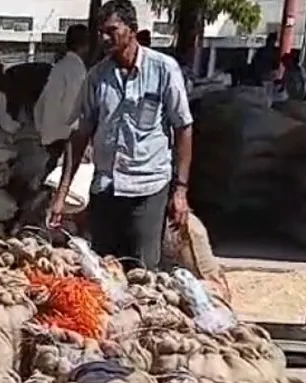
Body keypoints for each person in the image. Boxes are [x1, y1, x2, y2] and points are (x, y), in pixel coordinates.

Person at [48, 0, 193, 271]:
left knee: (144, 271)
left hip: (148, 188)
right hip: (107, 188)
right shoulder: (96, 77)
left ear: (132, 30)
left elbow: (183, 127)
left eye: (111, 30)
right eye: (101, 32)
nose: (104, 38)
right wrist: (61, 194)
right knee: (103, 270)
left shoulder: (163, 70)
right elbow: (80, 136)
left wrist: (181, 189)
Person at [33, 24, 90, 176]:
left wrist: (43, 130)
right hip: (65, 140)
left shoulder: (59, 67)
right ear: (86, 45)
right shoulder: (76, 70)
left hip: (50, 137)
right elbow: (74, 108)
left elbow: (39, 106)